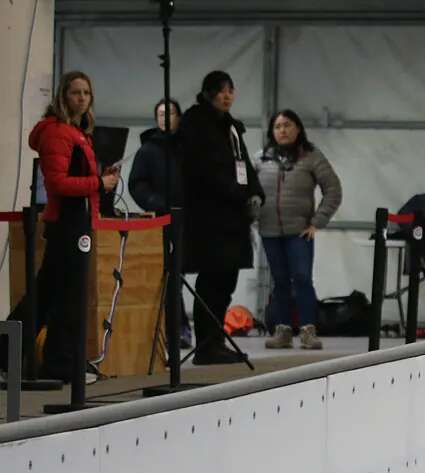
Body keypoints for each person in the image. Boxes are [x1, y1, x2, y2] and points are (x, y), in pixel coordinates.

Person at [23, 71, 119, 381]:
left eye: (86, 93)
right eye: (75, 92)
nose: (81, 98)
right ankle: (60, 363)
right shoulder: (58, 133)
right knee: (67, 297)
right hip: (68, 224)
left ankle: (12, 352)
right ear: (63, 96)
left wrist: (100, 181)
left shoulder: (78, 133)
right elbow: (58, 183)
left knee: (49, 293)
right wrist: (99, 183)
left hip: (77, 220)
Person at [177, 70, 264, 365]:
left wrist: (255, 194)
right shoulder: (196, 123)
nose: (227, 96)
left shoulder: (232, 127)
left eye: (231, 90)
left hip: (233, 219)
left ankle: (215, 340)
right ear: (207, 93)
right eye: (221, 90)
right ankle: (206, 344)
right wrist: (239, 195)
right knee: (212, 282)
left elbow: (244, 167)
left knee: (225, 281)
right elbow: (206, 171)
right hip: (209, 220)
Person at [257, 109, 342, 351]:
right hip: (270, 231)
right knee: (280, 281)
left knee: (302, 279)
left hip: (300, 232)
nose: (282, 130)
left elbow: (333, 190)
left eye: (287, 125)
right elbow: (249, 193)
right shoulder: (260, 158)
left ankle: (307, 331)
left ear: (298, 128)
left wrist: (318, 221)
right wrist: (253, 217)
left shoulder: (312, 156)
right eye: (278, 126)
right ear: (272, 131)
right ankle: (282, 332)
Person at [128, 97, 192, 348]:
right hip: (160, 220)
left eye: (171, 113)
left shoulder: (188, 148)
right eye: (161, 114)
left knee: (182, 274)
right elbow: (137, 184)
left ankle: (181, 327)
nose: (166, 118)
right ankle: (176, 328)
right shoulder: (148, 150)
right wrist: (155, 202)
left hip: (188, 219)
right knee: (169, 276)